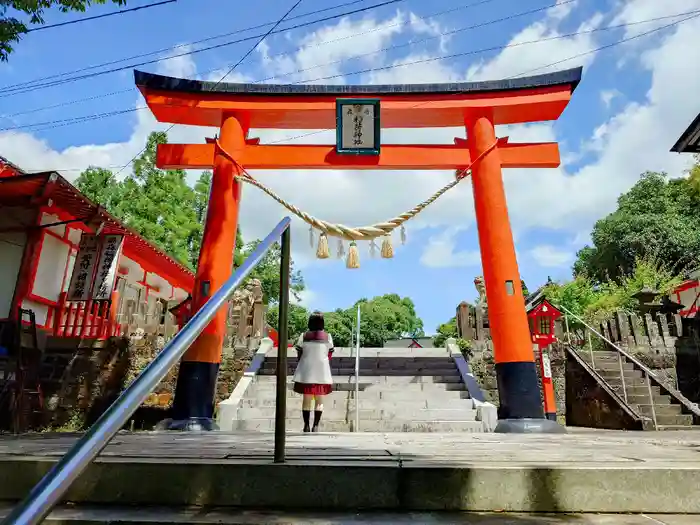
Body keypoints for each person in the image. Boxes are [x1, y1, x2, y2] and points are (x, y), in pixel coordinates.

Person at [293, 311, 334, 432]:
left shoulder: (304, 336)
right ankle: (316, 426)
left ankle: (306, 425)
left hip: (307, 371)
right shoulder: (328, 337)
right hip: (322, 371)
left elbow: (299, 352)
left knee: (306, 400)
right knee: (319, 400)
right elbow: (330, 353)